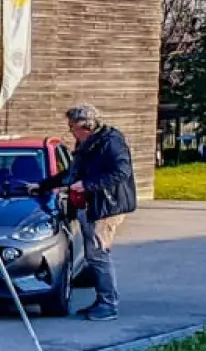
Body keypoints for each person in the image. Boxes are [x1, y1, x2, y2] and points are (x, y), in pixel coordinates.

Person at [36, 104, 137, 320]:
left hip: (105, 207)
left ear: (86, 126)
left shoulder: (111, 141)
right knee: (93, 255)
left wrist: (87, 185)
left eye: (72, 127)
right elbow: (72, 173)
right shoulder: (87, 143)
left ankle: (108, 305)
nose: (70, 131)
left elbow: (121, 171)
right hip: (91, 205)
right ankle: (102, 301)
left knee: (99, 254)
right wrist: (43, 185)